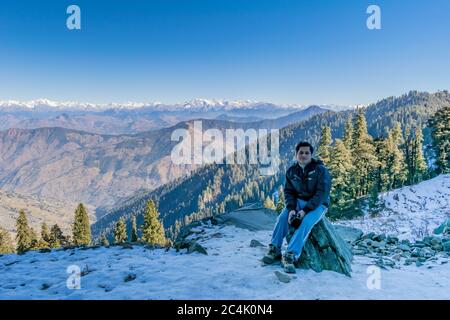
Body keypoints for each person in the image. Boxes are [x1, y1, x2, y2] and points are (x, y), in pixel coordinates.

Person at [262, 141, 332, 273]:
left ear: (311, 155)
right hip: (298, 202)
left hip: (318, 204)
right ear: (296, 154)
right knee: (282, 218)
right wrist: (292, 208)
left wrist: (305, 211)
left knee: (305, 223)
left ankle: (290, 255)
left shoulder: (320, 170)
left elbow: (322, 194)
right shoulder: (292, 171)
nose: (304, 155)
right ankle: (275, 249)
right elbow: (289, 192)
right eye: (301, 152)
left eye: (307, 153)